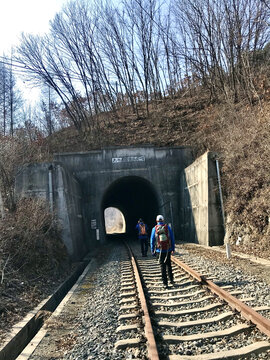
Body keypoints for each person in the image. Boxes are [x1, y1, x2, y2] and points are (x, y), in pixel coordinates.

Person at [150, 214, 175, 288]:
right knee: (169, 264)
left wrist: (152, 250)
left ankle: (165, 283)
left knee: (162, 266)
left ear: (156, 221)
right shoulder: (167, 227)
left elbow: (152, 240)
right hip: (167, 249)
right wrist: (173, 248)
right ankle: (171, 280)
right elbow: (172, 238)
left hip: (159, 250)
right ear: (163, 220)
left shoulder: (154, 229)